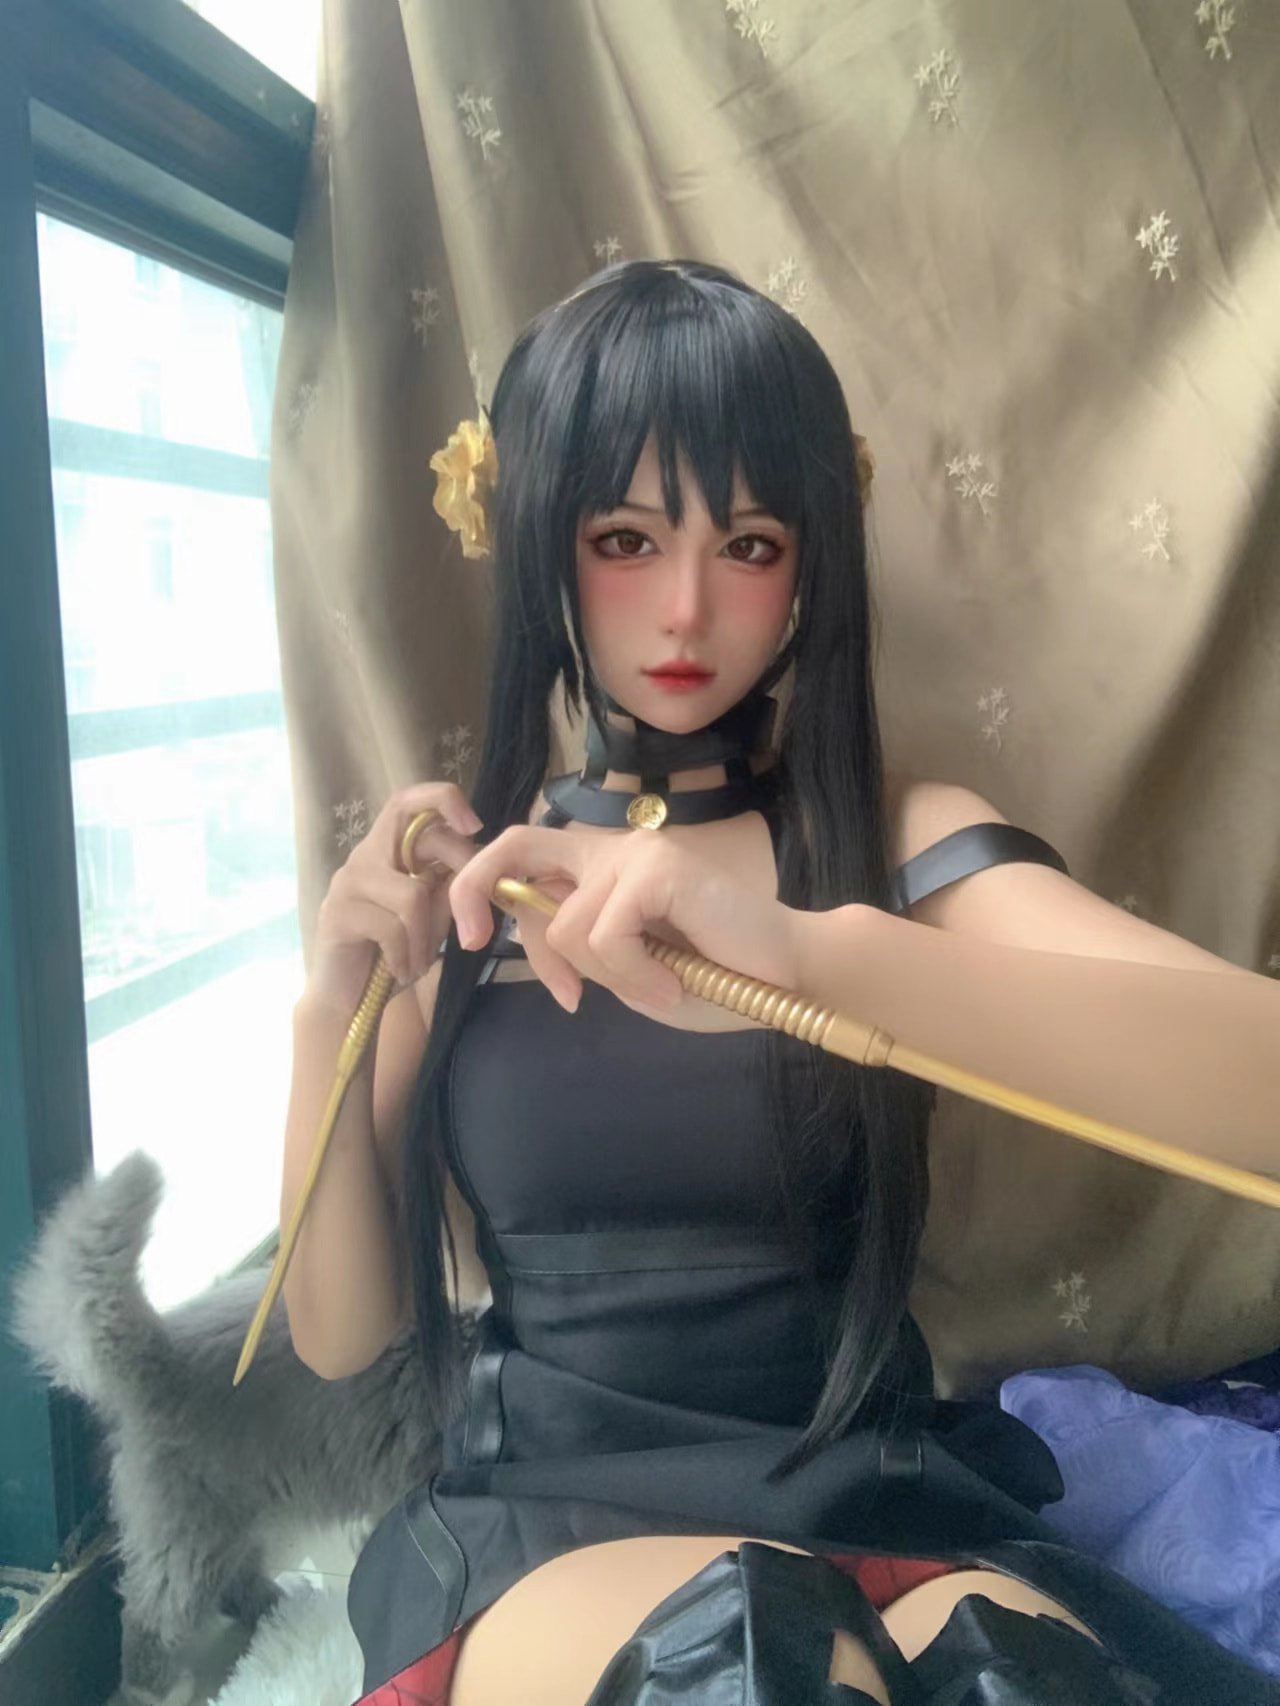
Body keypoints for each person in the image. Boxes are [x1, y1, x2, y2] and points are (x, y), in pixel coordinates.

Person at [279, 260, 1280, 1704]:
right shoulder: (478, 883)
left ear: (811, 559)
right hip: (549, 1524)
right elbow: (340, 1335)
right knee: (746, 1661)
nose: (687, 608)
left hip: (875, 1498)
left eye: (748, 543)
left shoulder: (898, 841)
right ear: (533, 538)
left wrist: (818, 955)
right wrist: (333, 1001)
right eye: (626, 538)